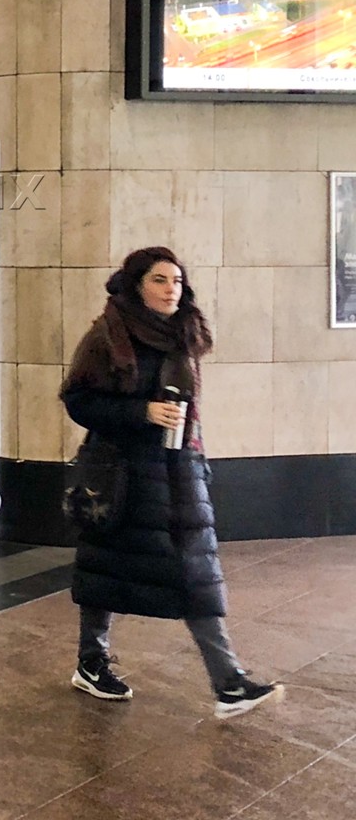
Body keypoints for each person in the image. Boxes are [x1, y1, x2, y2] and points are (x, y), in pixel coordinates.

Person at [63, 246, 284, 718]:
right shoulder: (107, 335)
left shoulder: (185, 334)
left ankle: (228, 683)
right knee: (106, 568)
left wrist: (196, 458)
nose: (171, 290)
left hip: (179, 470)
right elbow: (78, 400)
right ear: (136, 285)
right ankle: (92, 662)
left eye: (178, 281)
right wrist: (141, 412)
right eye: (160, 280)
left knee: (195, 573)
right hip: (124, 476)